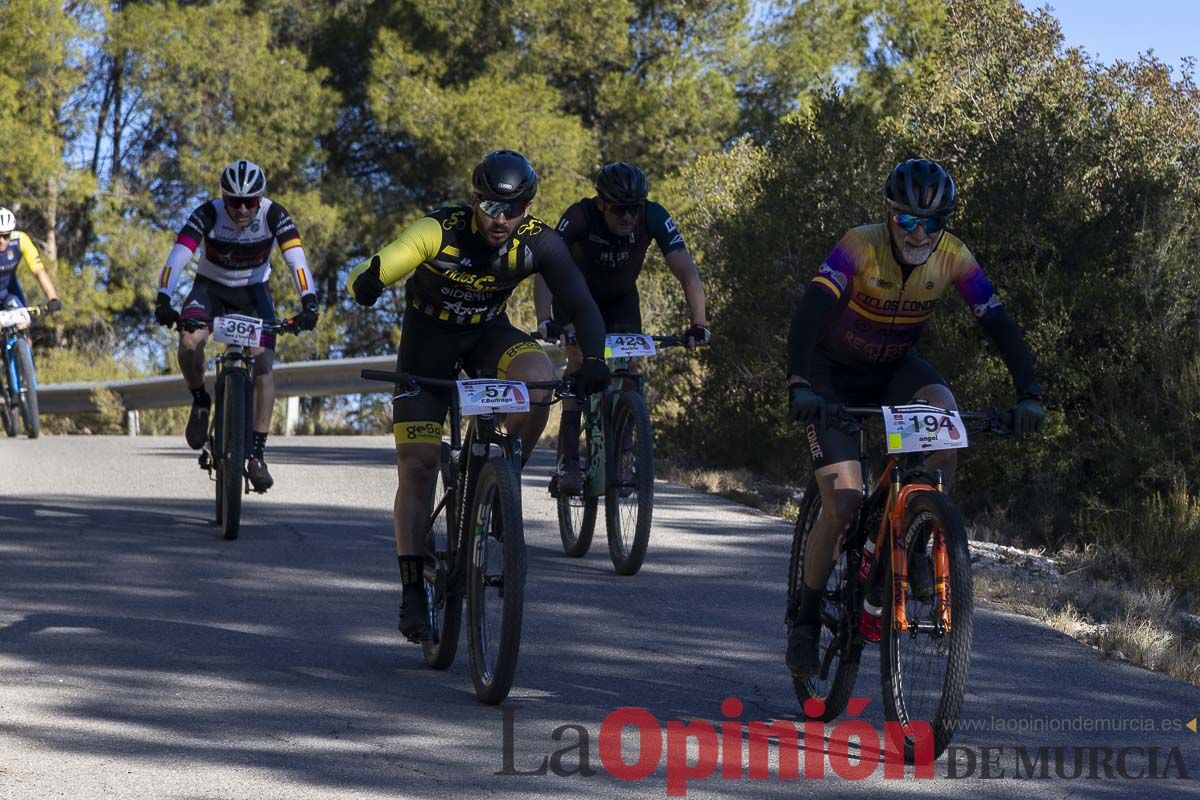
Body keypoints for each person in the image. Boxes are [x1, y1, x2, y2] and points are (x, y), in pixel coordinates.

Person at [784, 158, 1045, 675]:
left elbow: (998, 323)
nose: (919, 233)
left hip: (895, 369)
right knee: (844, 502)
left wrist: (1029, 392)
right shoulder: (858, 245)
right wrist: (800, 385)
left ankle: (920, 533)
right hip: (832, 373)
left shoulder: (953, 257)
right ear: (888, 214)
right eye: (907, 221)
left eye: (931, 223)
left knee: (947, 424)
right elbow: (809, 312)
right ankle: (808, 620)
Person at [346, 149, 611, 642]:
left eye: (512, 210)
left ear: (528, 209)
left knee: (537, 378)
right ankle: (410, 588)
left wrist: (594, 360)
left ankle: (503, 478)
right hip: (426, 349)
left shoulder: (537, 242)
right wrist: (370, 278)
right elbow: (395, 254)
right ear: (474, 200)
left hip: (487, 335)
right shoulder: (440, 229)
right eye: (490, 207)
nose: (500, 219)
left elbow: (580, 301)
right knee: (420, 463)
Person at [533, 161, 710, 494]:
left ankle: (626, 453)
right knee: (579, 362)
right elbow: (545, 269)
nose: (628, 217)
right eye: (619, 210)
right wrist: (546, 319)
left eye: (634, 209)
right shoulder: (581, 215)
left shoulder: (654, 216)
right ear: (601, 203)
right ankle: (568, 461)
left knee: (630, 368)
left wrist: (698, 322)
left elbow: (687, 272)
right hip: (576, 297)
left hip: (620, 300)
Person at [152, 160, 319, 491]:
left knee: (264, 369)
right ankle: (201, 400)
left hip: (254, 294)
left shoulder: (274, 214)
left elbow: (296, 260)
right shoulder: (209, 213)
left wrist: (309, 301)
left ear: (260, 199)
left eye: (250, 201)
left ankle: (256, 455)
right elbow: (178, 256)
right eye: (235, 201)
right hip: (210, 289)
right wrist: (163, 298)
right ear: (224, 197)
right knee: (188, 342)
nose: (242, 209)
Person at [0, 207, 62, 321]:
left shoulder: (21, 240)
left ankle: (25, 339)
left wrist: (52, 297)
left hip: (9, 290)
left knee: (24, 323)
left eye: (5, 236)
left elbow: (39, 271)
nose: (1, 241)